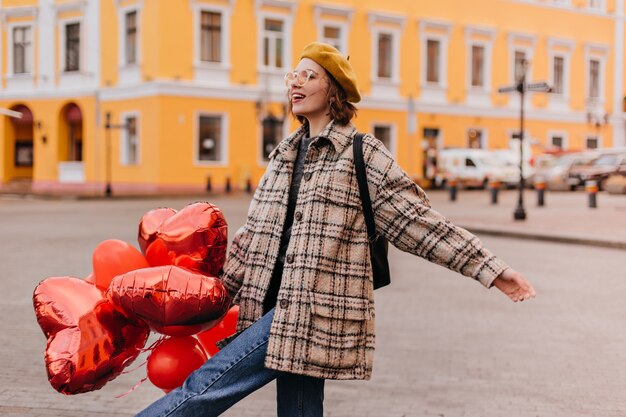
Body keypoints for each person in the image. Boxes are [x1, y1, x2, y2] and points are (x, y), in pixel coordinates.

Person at [135, 42, 536, 417]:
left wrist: (491, 269)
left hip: (310, 312)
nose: (296, 82)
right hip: (269, 304)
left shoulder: (362, 154)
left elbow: (420, 224)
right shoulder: (283, 155)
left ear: (334, 90)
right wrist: (208, 297)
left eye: (309, 75)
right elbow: (251, 241)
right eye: (294, 75)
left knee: (207, 386)